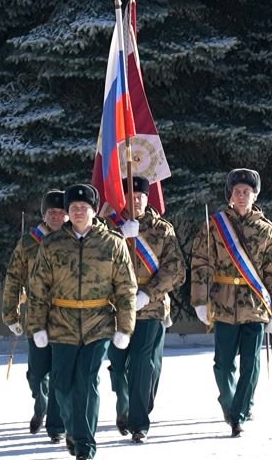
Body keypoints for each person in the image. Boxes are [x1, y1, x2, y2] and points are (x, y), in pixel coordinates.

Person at [26, 184, 136, 460]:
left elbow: (126, 289)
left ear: (94, 210)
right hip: (61, 323)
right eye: (73, 208)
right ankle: (74, 431)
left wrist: (125, 327)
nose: (78, 212)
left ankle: (86, 445)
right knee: (62, 386)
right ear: (67, 211)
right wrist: (37, 325)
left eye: (83, 207)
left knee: (87, 382)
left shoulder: (112, 243)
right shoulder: (52, 244)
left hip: (98, 323)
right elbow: (38, 288)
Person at [190, 168, 272, 438]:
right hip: (223, 304)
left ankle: (238, 415)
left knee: (250, 364)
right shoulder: (214, 226)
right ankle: (230, 402)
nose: (241, 196)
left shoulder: (266, 230)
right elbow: (201, 264)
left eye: (247, 192)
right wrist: (200, 300)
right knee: (223, 364)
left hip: (255, 305)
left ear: (255, 196)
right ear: (230, 195)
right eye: (237, 192)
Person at [104, 177, 186, 443]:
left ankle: (139, 423)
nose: (136, 201)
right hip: (116, 306)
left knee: (142, 362)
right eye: (131, 196)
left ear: (147, 198)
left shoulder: (162, 229)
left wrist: (148, 293)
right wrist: (120, 236)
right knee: (117, 363)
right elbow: (95, 263)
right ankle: (124, 402)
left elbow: (176, 269)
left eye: (140, 196)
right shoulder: (108, 228)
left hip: (151, 306)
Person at [1, 190, 68, 442]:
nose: (56, 216)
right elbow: (13, 279)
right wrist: (11, 315)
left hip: (66, 317)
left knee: (60, 372)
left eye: (61, 212)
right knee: (37, 373)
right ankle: (41, 405)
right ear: (44, 214)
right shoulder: (29, 243)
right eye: (52, 212)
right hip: (36, 316)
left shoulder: (74, 241)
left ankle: (56, 423)